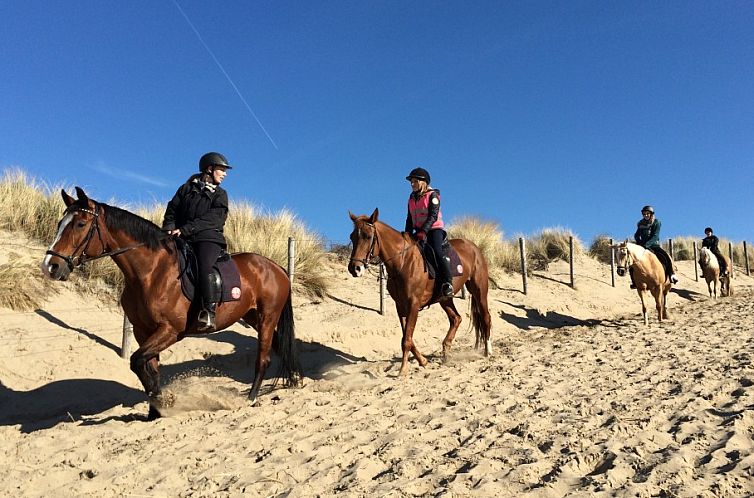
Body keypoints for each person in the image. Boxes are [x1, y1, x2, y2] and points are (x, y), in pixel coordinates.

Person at [163, 152, 232, 332]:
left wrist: (186, 229)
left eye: (225, 171)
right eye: (221, 170)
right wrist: (169, 227)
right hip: (182, 237)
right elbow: (172, 209)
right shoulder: (185, 189)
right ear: (209, 169)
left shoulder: (220, 194)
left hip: (208, 238)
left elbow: (214, 219)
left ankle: (208, 311)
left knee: (204, 267)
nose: (224, 174)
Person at [405, 167, 454, 298]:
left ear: (423, 182)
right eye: (411, 182)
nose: (412, 184)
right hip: (419, 231)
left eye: (414, 181)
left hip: (434, 230)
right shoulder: (411, 198)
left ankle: (448, 282)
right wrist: (407, 234)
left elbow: (433, 216)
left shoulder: (433, 196)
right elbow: (409, 218)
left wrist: (423, 231)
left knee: (437, 252)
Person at [632, 205, 678, 288]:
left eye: (647, 213)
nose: (646, 215)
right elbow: (636, 235)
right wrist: (639, 242)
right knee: (632, 262)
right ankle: (634, 282)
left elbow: (655, 236)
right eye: (644, 214)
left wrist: (647, 244)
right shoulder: (640, 223)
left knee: (665, 256)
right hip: (642, 246)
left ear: (651, 214)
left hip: (653, 245)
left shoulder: (656, 222)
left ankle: (672, 274)